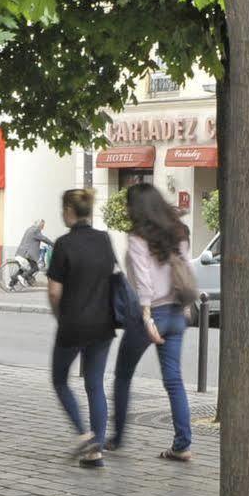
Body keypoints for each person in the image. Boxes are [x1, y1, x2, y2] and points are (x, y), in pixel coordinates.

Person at [109, 182, 194, 460]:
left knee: (123, 376)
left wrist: (146, 317)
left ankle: (117, 438)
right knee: (174, 381)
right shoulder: (180, 232)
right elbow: (187, 271)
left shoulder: (138, 237)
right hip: (176, 312)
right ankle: (182, 445)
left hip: (150, 315)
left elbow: (144, 282)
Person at [45, 189, 117, 468]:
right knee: (95, 384)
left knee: (60, 380)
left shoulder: (63, 244)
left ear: (69, 211)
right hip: (103, 324)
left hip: (73, 324)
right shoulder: (104, 240)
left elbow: (53, 292)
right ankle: (95, 450)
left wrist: (59, 316)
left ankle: (84, 434)